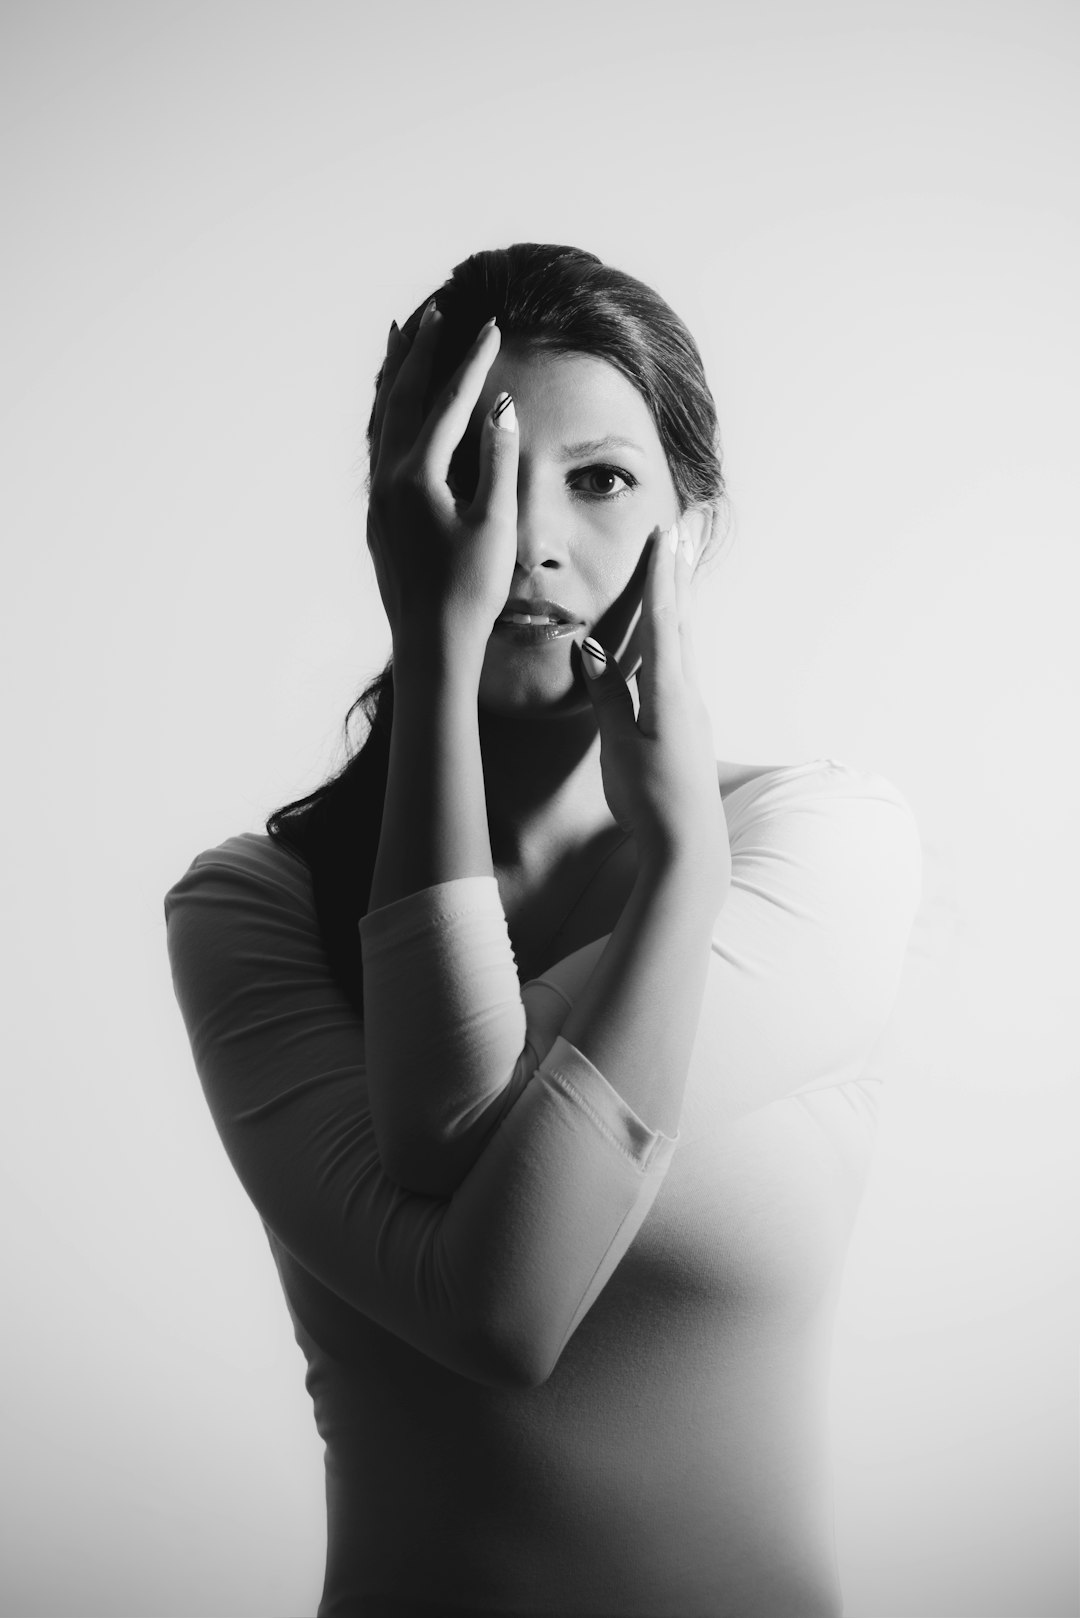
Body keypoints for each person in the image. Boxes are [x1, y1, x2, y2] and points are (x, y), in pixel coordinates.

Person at [165, 243, 922, 1618]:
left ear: (691, 530)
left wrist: (691, 859)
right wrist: (446, 669)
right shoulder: (247, 908)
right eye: (471, 472)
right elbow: (499, 1313)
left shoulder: (823, 847)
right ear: (393, 519)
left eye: (602, 479)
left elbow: (481, 1212)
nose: (529, 540)